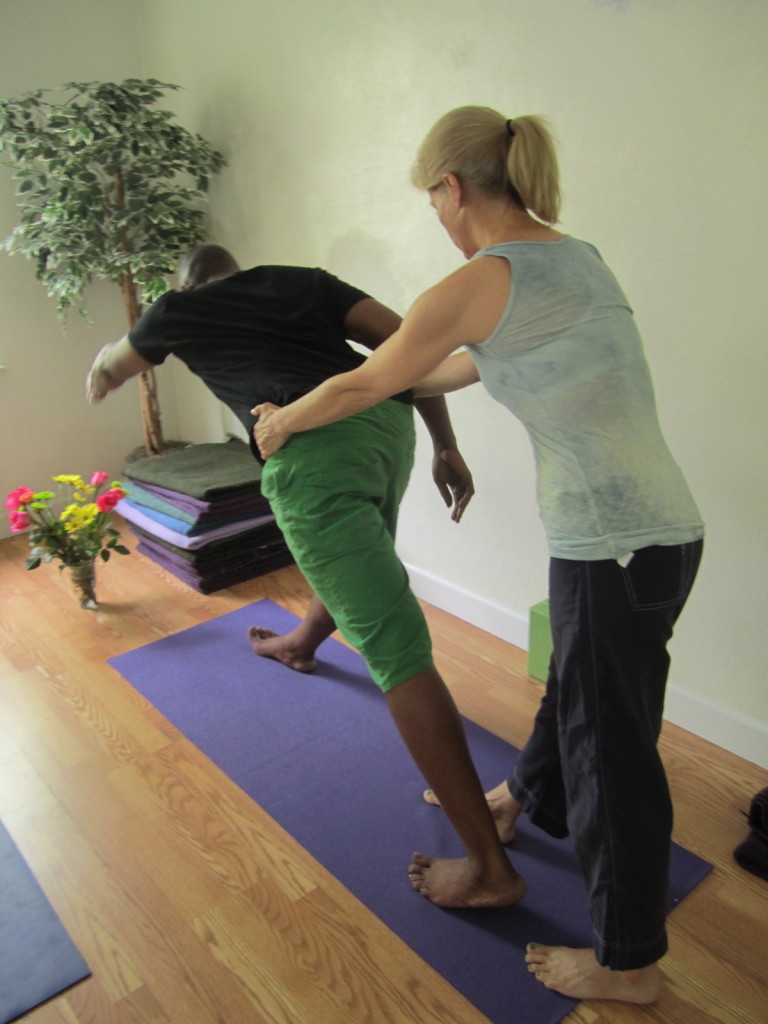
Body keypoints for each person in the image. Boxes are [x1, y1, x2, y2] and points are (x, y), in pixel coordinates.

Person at [252, 107, 704, 1005]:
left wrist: (284, 420)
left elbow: (371, 377)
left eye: (433, 200)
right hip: (648, 537)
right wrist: (395, 378)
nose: (437, 216)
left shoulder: (484, 276)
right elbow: (452, 368)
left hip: (615, 544)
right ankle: (522, 800)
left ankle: (631, 962)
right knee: (578, 691)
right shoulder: (572, 257)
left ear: (453, 188)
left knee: (610, 753)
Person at [86, 243, 525, 913]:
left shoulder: (177, 310)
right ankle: (302, 643)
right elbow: (413, 347)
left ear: (186, 285)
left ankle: (490, 869)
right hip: (386, 433)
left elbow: (112, 365)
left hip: (314, 449)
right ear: (240, 270)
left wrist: (99, 375)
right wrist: (445, 442)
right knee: (356, 563)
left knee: (394, 647)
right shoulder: (300, 282)